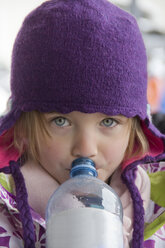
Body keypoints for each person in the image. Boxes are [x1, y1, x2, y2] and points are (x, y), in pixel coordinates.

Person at [0, 0, 165, 247]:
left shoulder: (157, 206)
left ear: (134, 129)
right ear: (23, 126)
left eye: (108, 121)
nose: (86, 148)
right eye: (61, 120)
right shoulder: (5, 215)